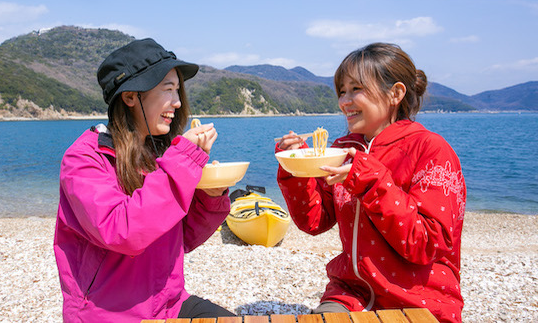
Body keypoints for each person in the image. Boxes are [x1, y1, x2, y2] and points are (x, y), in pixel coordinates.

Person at [276, 43, 466, 323]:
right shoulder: (342, 150)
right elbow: (314, 221)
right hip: (349, 293)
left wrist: (370, 181)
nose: (344, 101)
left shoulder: (430, 150)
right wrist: (297, 170)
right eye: (342, 91)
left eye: (356, 89)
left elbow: (427, 244)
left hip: (418, 299)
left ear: (396, 93)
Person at [54, 38, 235, 322]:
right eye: (167, 90)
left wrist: (210, 196)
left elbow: (182, 238)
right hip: (110, 313)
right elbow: (121, 231)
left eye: (177, 90)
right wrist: (181, 163)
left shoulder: (159, 154)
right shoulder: (83, 159)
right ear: (130, 97)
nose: (177, 102)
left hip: (169, 304)